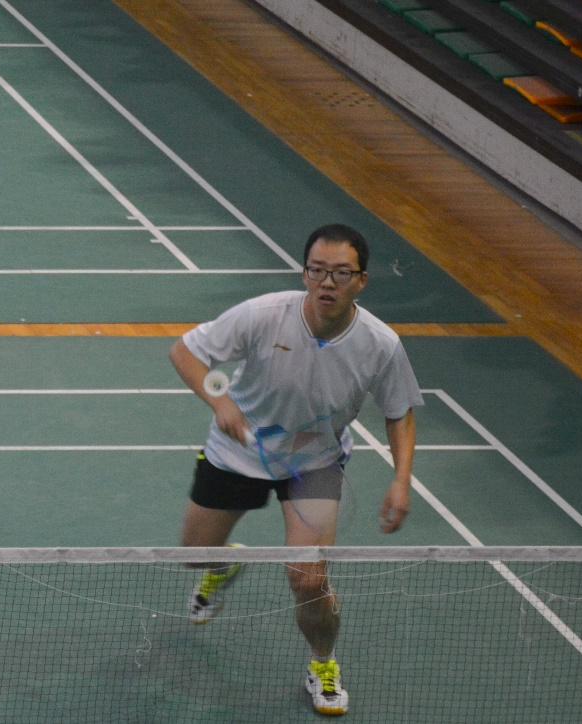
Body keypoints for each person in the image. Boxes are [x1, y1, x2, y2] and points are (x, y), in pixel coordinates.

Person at [168, 223, 421, 717]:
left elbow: (400, 413)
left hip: (314, 462)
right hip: (239, 451)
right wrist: (220, 400)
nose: (327, 282)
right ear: (304, 273)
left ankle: (323, 663)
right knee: (193, 555)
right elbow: (185, 352)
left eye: (341, 273)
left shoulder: (381, 344)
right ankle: (222, 564)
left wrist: (400, 479)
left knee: (308, 580)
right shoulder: (263, 315)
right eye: (317, 270)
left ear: (361, 280)